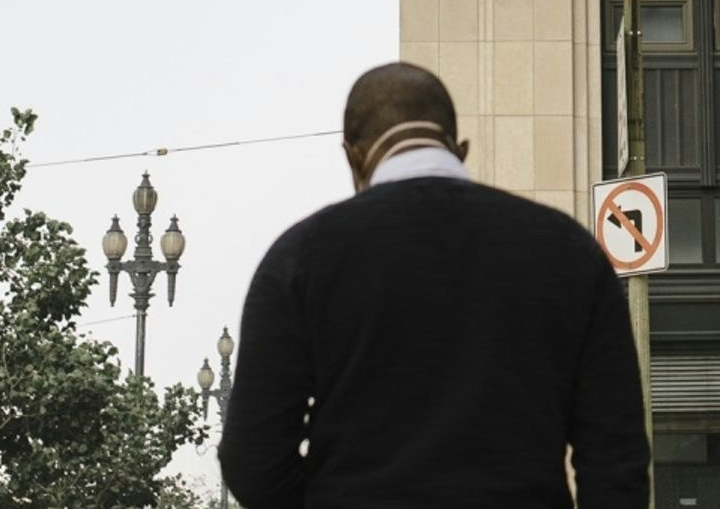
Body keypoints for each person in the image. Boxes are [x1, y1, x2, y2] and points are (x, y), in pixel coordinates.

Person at [217, 61, 649, 507]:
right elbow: (617, 459)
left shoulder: (299, 260)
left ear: (353, 156)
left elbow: (253, 460)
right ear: (459, 149)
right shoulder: (569, 251)